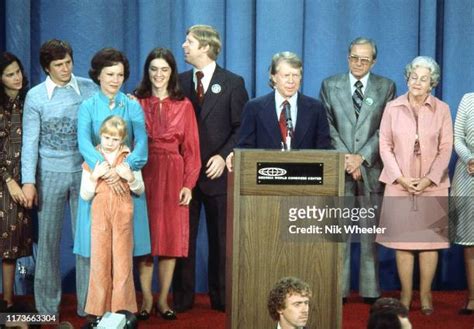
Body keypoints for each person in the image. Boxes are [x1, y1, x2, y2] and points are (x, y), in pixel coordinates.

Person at [172, 24, 249, 313]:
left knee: (220, 241)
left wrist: (223, 156)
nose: (184, 46)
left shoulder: (233, 82)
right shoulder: (178, 82)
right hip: (184, 177)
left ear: (205, 46)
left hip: (218, 175)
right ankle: (182, 298)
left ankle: (221, 297)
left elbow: (241, 128)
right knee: (183, 240)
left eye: (189, 41)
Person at [21, 39, 97, 316]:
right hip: (48, 174)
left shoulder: (89, 89)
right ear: (46, 68)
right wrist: (28, 181)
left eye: (68, 62)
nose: (65, 69)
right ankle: (46, 308)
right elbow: (29, 142)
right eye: (58, 65)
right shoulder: (36, 96)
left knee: (85, 242)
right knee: (48, 242)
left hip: (84, 174)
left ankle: (88, 305)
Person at [319, 37, 396, 304]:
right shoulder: (330, 85)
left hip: (371, 169)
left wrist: (362, 157)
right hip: (339, 169)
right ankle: (338, 289)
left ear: (374, 61)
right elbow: (327, 126)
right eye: (354, 57)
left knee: (369, 233)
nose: (359, 63)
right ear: (347, 57)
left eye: (365, 59)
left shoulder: (386, 86)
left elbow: (385, 130)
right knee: (337, 234)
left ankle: (370, 289)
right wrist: (347, 159)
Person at [377, 56, 453, 315]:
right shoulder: (392, 107)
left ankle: (427, 295)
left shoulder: (442, 109)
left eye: (423, 78)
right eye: (413, 77)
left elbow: (446, 149)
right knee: (403, 243)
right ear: (407, 78)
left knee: (429, 243)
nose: (417, 82)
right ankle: (406, 295)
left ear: (432, 82)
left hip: (433, 185)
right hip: (400, 184)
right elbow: (384, 145)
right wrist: (399, 177)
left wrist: (429, 179)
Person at [134, 48, 201, 320]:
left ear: (172, 72)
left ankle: (163, 299)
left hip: (174, 175)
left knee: (171, 240)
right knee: (146, 241)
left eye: (164, 69)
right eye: (153, 69)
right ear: (147, 72)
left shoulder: (184, 104)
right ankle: (146, 298)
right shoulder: (136, 102)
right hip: (144, 173)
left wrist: (188, 184)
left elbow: (193, 151)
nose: (158, 75)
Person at [74, 48, 150, 272]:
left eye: (120, 74)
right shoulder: (87, 106)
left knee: (125, 250)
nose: (115, 80)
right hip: (97, 181)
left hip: (126, 183)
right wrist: (107, 171)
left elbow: (142, 144)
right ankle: (97, 306)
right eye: (110, 74)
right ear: (98, 75)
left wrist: (122, 169)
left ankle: (122, 305)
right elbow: (84, 143)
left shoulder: (132, 105)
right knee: (98, 249)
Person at [225, 51, 331, 171]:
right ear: (274, 77)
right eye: (286, 75)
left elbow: (325, 150)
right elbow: (245, 148)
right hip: (265, 180)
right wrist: (237, 156)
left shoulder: (316, 108)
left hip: (305, 179)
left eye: (295, 75)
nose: (291, 81)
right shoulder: (254, 108)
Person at [81, 115, 143, 316]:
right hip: (100, 211)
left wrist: (130, 177)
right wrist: (94, 176)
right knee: (99, 261)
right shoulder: (93, 158)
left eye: (115, 139)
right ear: (101, 135)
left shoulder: (129, 158)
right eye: (106, 137)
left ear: (122, 140)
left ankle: (122, 309)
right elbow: (85, 194)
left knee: (123, 261)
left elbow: (140, 189)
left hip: (123, 211)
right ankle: (97, 310)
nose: (110, 142)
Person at [0, 52, 33, 308]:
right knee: (6, 241)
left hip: (28, 179)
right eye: (10, 74)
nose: (16, 77)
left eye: (18, 71)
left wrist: (29, 180)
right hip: (5, 180)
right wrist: (9, 180)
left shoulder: (29, 102)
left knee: (19, 241)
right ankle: (7, 301)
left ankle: (13, 300)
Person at [450, 93, 474, 315]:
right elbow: (457, 138)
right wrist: (469, 159)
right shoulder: (467, 99)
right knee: (470, 242)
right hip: (468, 174)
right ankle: (473, 298)